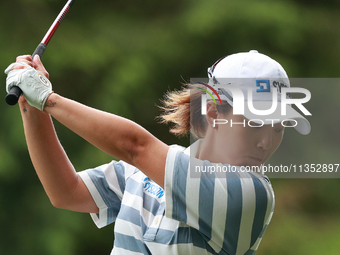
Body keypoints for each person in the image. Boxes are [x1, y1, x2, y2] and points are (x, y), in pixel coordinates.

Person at [5, 50, 310, 255]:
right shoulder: (152, 169)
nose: (266, 142)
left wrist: (48, 98)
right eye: (256, 124)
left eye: (279, 127)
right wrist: (31, 106)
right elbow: (66, 192)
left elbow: (135, 147)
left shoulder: (250, 193)